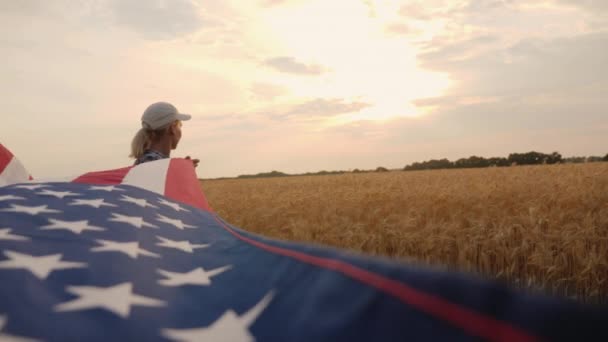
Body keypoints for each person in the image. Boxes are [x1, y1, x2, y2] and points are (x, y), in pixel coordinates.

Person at [129, 102, 199, 167]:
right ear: (172, 128)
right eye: (180, 125)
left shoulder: (146, 161)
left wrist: (181, 171)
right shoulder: (155, 164)